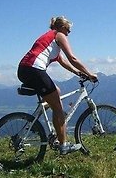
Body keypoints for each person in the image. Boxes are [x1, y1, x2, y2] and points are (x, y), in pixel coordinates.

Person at [17, 16, 97, 155]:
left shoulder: (50, 39)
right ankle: (63, 145)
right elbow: (72, 58)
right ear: (61, 27)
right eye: (68, 30)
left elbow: (63, 61)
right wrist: (89, 73)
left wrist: (78, 72)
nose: (69, 33)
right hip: (34, 69)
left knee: (56, 92)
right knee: (58, 109)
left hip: (25, 69)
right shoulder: (59, 35)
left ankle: (39, 121)